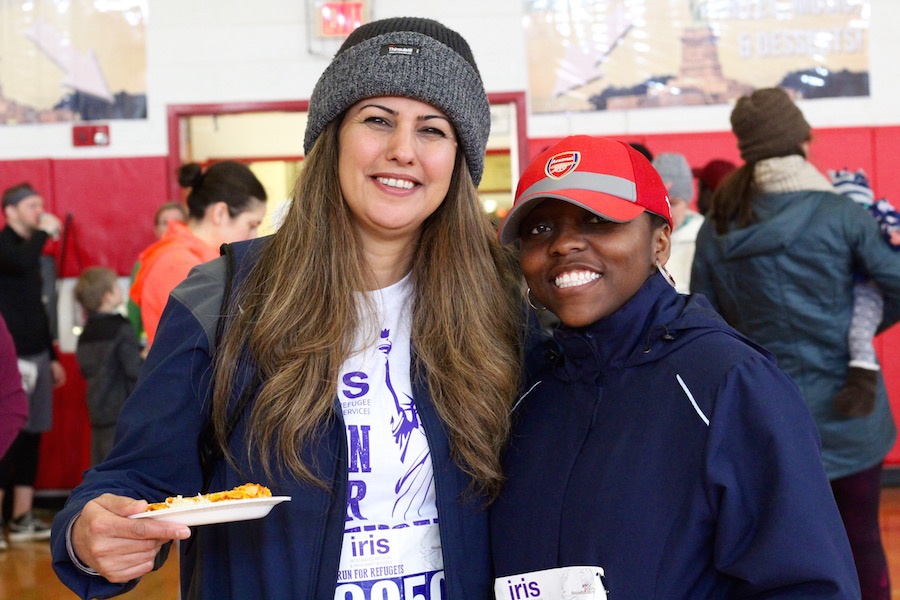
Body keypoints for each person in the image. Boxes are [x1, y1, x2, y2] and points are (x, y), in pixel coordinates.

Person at [51, 17, 523, 599]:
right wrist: (88, 535)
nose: (402, 151)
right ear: (331, 137)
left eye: (433, 130)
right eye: (377, 120)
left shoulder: (504, 305)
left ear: (460, 161)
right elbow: (135, 477)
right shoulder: (224, 298)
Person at [490, 135, 860, 599]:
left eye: (599, 221)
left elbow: (809, 586)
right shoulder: (523, 388)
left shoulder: (727, 383)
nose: (564, 244)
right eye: (541, 229)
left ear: (660, 241)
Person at [691, 87, 900, 600]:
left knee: (780, 559)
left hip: (763, 416)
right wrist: (854, 330)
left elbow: (703, 317)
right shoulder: (843, 214)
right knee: (862, 540)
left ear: (747, 147)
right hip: (851, 411)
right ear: (802, 139)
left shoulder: (720, 223)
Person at [129, 162, 267, 348]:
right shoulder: (180, 264)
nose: (254, 236)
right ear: (220, 213)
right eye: (251, 225)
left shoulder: (195, 259)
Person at [0, 182, 66, 543]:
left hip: (37, 354)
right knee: (5, 433)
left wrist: (52, 355)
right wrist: (43, 232)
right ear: (10, 211)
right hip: (12, 357)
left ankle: (22, 516)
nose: (38, 213)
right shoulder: (7, 247)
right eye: (30, 206)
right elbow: (21, 260)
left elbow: (39, 308)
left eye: (40, 206)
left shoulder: (33, 251)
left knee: (32, 435)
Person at [827, 168, 900, 417]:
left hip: (868, 287)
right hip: (849, 285)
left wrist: (894, 233)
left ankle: (863, 387)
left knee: (858, 334)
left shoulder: (876, 213)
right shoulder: (836, 222)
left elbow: (892, 222)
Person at [74, 266, 143, 466]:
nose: (121, 290)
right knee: (122, 462)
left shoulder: (86, 333)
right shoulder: (121, 327)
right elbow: (133, 369)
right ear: (107, 296)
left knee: (101, 461)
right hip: (122, 408)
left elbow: (85, 368)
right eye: (116, 287)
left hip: (97, 408)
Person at [126, 202, 188, 342]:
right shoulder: (144, 262)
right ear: (156, 229)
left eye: (178, 222)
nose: (171, 227)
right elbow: (134, 309)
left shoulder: (198, 258)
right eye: (165, 223)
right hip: (153, 344)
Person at [652, 152, 703, 293]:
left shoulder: (702, 240)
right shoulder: (642, 239)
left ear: (687, 201)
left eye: (673, 204)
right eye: (661, 203)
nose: (667, 211)